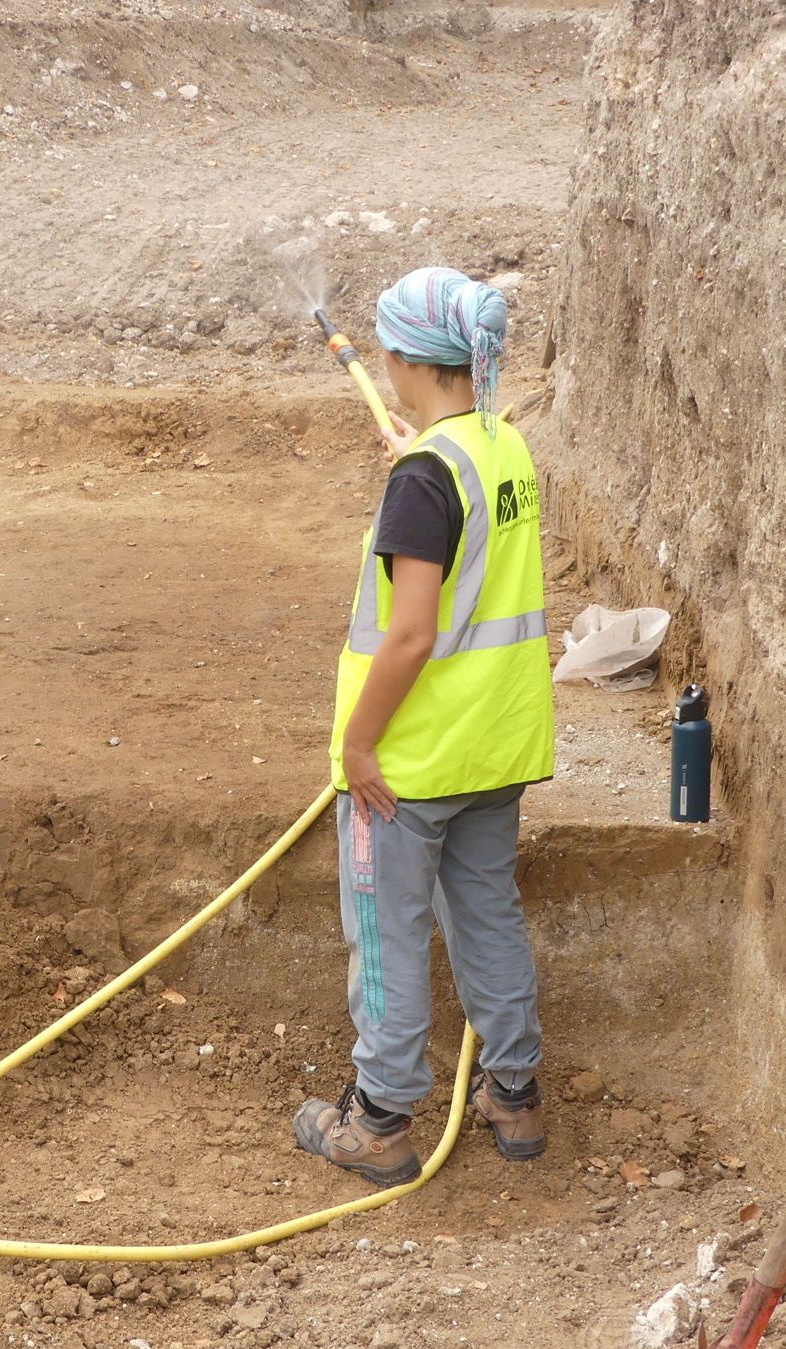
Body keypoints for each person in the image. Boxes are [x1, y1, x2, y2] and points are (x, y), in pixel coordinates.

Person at [292, 266, 556, 1185]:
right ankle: (514, 1097)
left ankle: (381, 1121)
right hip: (497, 745)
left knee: (387, 933)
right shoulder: (503, 446)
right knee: (488, 913)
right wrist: (423, 460)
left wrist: (359, 746)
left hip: (410, 763)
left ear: (406, 360)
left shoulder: (424, 481)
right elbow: (472, 532)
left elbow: (410, 632)